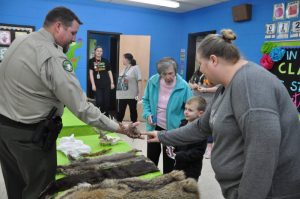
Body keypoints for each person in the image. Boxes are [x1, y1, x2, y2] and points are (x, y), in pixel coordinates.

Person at [0, 7, 139, 199]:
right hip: (30, 137)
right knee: (39, 190)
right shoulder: (53, 56)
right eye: (73, 33)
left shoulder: (21, 41)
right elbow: (81, 108)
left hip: (5, 130)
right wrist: (118, 127)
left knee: (15, 185)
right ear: (58, 27)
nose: (74, 39)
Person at [142, 29, 300, 199]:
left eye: (201, 64)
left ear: (213, 60)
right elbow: (201, 127)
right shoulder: (225, 86)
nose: (201, 71)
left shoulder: (250, 85)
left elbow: (262, 157)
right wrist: (162, 135)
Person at [142, 57, 192, 174]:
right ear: (160, 74)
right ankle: (151, 184)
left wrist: (183, 126)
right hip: (154, 126)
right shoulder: (153, 81)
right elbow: (146, 100)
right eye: (164, 74)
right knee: (151, 159)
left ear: (175, 72)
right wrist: (147, 114)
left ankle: (167, 186)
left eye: (171, 73)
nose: (168, 77)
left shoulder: (183, 86)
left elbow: (190, 107)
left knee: (169, 161)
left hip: (172, 130)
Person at [166, 96, 207, 181]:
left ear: (200, 113)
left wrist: (177, 155)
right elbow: (178, 139)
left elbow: (198, 152)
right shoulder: (183, 124)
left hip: (192, 170)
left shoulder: (201, 131)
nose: (186, 112)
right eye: (185, 109)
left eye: (190, 110)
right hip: (179, 165)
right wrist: (173, 147)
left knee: (188, 191)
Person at [189, 68, 219, 159]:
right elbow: (189, 82)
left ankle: (209, 147)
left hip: (209, 102)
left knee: (208, 124)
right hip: (197, 102)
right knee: (195, 123)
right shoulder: (197, 72)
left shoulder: (215, 73)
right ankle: (195, 142)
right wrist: (193, 86)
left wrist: (206, 90)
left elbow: (220, 87)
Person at [89, 46, 115, 116]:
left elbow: (110, 72)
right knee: (99, 101)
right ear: (95, 52)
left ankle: (106, 116)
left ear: (102, 53)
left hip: (106, 84)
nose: (99, 52)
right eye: (98, 51)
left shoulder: (105, 61)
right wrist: (93, 84)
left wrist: (112, 83)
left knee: (106, 101)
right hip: (97, 85)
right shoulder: (91, 61)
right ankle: (99, 116)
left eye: (101, 51)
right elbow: (91, 73)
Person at [116, 53, 142, 123]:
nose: (122, 60)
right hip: (122, 95)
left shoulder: (135, 68)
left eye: (123, 58)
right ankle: (118, 125)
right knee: (120, 111)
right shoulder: (124, 69)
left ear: (127, 59)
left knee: (133, 110)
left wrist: (140, 94)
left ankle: (134, 125)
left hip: (132, 95)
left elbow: (139, 81)